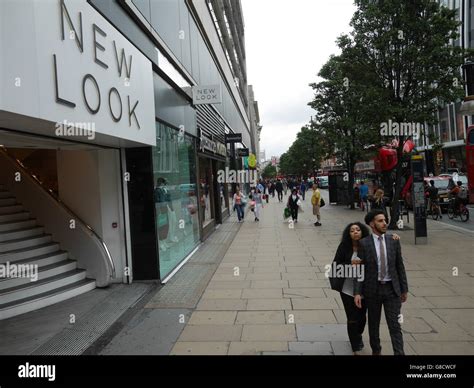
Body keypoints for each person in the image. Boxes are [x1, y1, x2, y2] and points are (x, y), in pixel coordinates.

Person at [329, 222, 401, 355]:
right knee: (352, 317)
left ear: (362, 232)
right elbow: (335, 266)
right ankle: (355, 345)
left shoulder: (368, 245)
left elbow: (382, 243)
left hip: (364, 287)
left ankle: (358, 334)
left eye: (357, 229)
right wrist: (350, 264)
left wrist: (394, 237)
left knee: (362, 317)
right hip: (347, 287)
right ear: (348, 234)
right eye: (352, 230)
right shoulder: (344, 247)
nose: (355, 232)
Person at [354, 210, 409, 355]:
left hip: (392, 290)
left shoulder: (393, 241)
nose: (384, 223)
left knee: (395, 325)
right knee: (373, 325)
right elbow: (360, 270)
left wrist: (404, 289)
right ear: (372, 224)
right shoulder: (364, 244)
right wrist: (357, 292)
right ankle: (376, 351)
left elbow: (399, 266)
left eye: (385, 220)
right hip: (373, 290)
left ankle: (399, 353)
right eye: (380, 221)